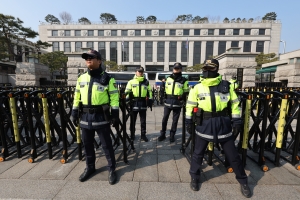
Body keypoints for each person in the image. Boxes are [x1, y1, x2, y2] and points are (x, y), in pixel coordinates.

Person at [185, 59, 251, 198]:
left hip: (223, 124)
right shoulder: (197, 87)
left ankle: (243, 181)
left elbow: (234, 105)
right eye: (205, 68)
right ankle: (194, 177)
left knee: (233, 156)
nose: (207, 70)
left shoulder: (226, 86)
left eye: (211, 68)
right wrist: (188, 121)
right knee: (197, 154)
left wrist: (237, 122)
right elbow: (190, 106)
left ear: (217, 69)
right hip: (204, 124)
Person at [71, 49, 118, 185]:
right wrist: (74, 112)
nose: (88, 59)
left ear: (99, 60)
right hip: (85, 116)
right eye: (86, 58)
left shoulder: (108, 79)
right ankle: (90, 167)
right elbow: (76, 97)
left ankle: (111, 169)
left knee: (106, 145)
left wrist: (115, 115)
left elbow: (114, 98)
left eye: (92, 57)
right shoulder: (81, 78)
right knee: (87, 145)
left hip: (101, 117)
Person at [158, 63, 189, 143]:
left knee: (175, 121)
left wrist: (182, 98)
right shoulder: (168, 79)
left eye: (178, 68)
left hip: (177, 103)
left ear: (181, 69)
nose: (176, 70)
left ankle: (172, 135)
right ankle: (163, 134)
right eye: (175, 68)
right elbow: (163, 90)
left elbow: (186, 92)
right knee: (164, 119)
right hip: (168, 102)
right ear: (173, 69)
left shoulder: (184, 80)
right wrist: (162, 99)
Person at [125, 66, 153, 142]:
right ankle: (132, 135)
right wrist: (127, 101)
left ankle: (143, 135)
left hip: (143, 103)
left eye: (141, 72)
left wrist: (150, 99)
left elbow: (149, 91)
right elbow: (127, 92)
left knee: (143, 121)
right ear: (136, 72)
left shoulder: (146, 82)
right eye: (139, 71)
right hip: (133, 103)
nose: (140, 73)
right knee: (132, 121)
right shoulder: (131, 82)